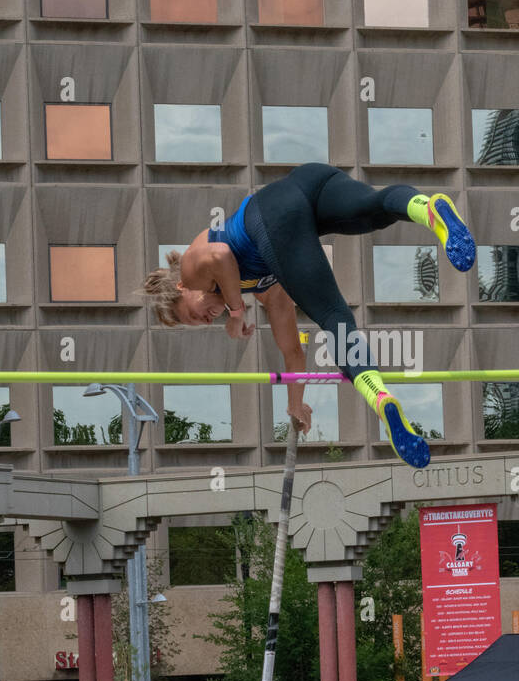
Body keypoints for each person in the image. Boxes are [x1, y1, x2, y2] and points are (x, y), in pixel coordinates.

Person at [143, 163, 475, 469]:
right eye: (202, 323)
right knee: (375, 209)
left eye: (193, 315)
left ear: (182, 289)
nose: (205, 320)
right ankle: (429, 210)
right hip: (309, 183)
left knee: (335, 316)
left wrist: (235, 311)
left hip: (272, 215)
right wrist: (295, 404)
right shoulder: (266, 288)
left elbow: (222, 254)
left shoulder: (191, 269)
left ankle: (380, 397)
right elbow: (292, 352)